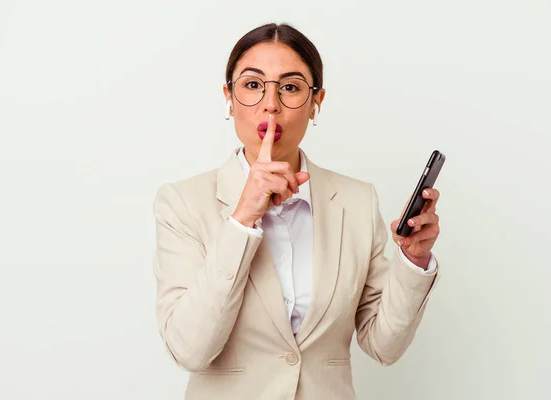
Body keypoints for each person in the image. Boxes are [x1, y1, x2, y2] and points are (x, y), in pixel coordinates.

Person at [153, 22, 441, 400]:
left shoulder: (356, 201)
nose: (270, 104)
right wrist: (242, 220)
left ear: (316, 102)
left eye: (290, 87)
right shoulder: (182, 202)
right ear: (229, 96)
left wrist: (413, 261)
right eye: (253, 85)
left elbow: (383, 346)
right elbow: (189, 349)